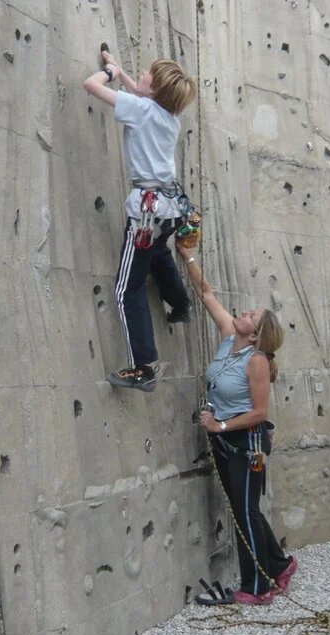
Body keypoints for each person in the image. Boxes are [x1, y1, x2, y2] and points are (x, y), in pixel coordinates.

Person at [177, 241, 297, 605]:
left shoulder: (257, 360)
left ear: (256, 334)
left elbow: (260, 412)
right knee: (243, 507)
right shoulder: (230, 338)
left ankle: (257, 587)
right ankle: (280, 564)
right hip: (225, 438)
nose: (243, 312)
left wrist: (220, 427)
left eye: (250, 315)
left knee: (245, 511)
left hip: (248, 442)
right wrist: (188, 255)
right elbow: (206, 292)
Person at [82, 51, 197, 393]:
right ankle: (180, 304)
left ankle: (143, 367)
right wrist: (124, 74)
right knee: (159, 255)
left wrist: (107, 72)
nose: (142, 74)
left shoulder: (143, 109)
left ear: (154, 90)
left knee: (126, 288)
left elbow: (90, 86)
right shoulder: (168, 116)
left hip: (147, 214)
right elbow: (141, 98)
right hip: (171, 210)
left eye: (147, 74)